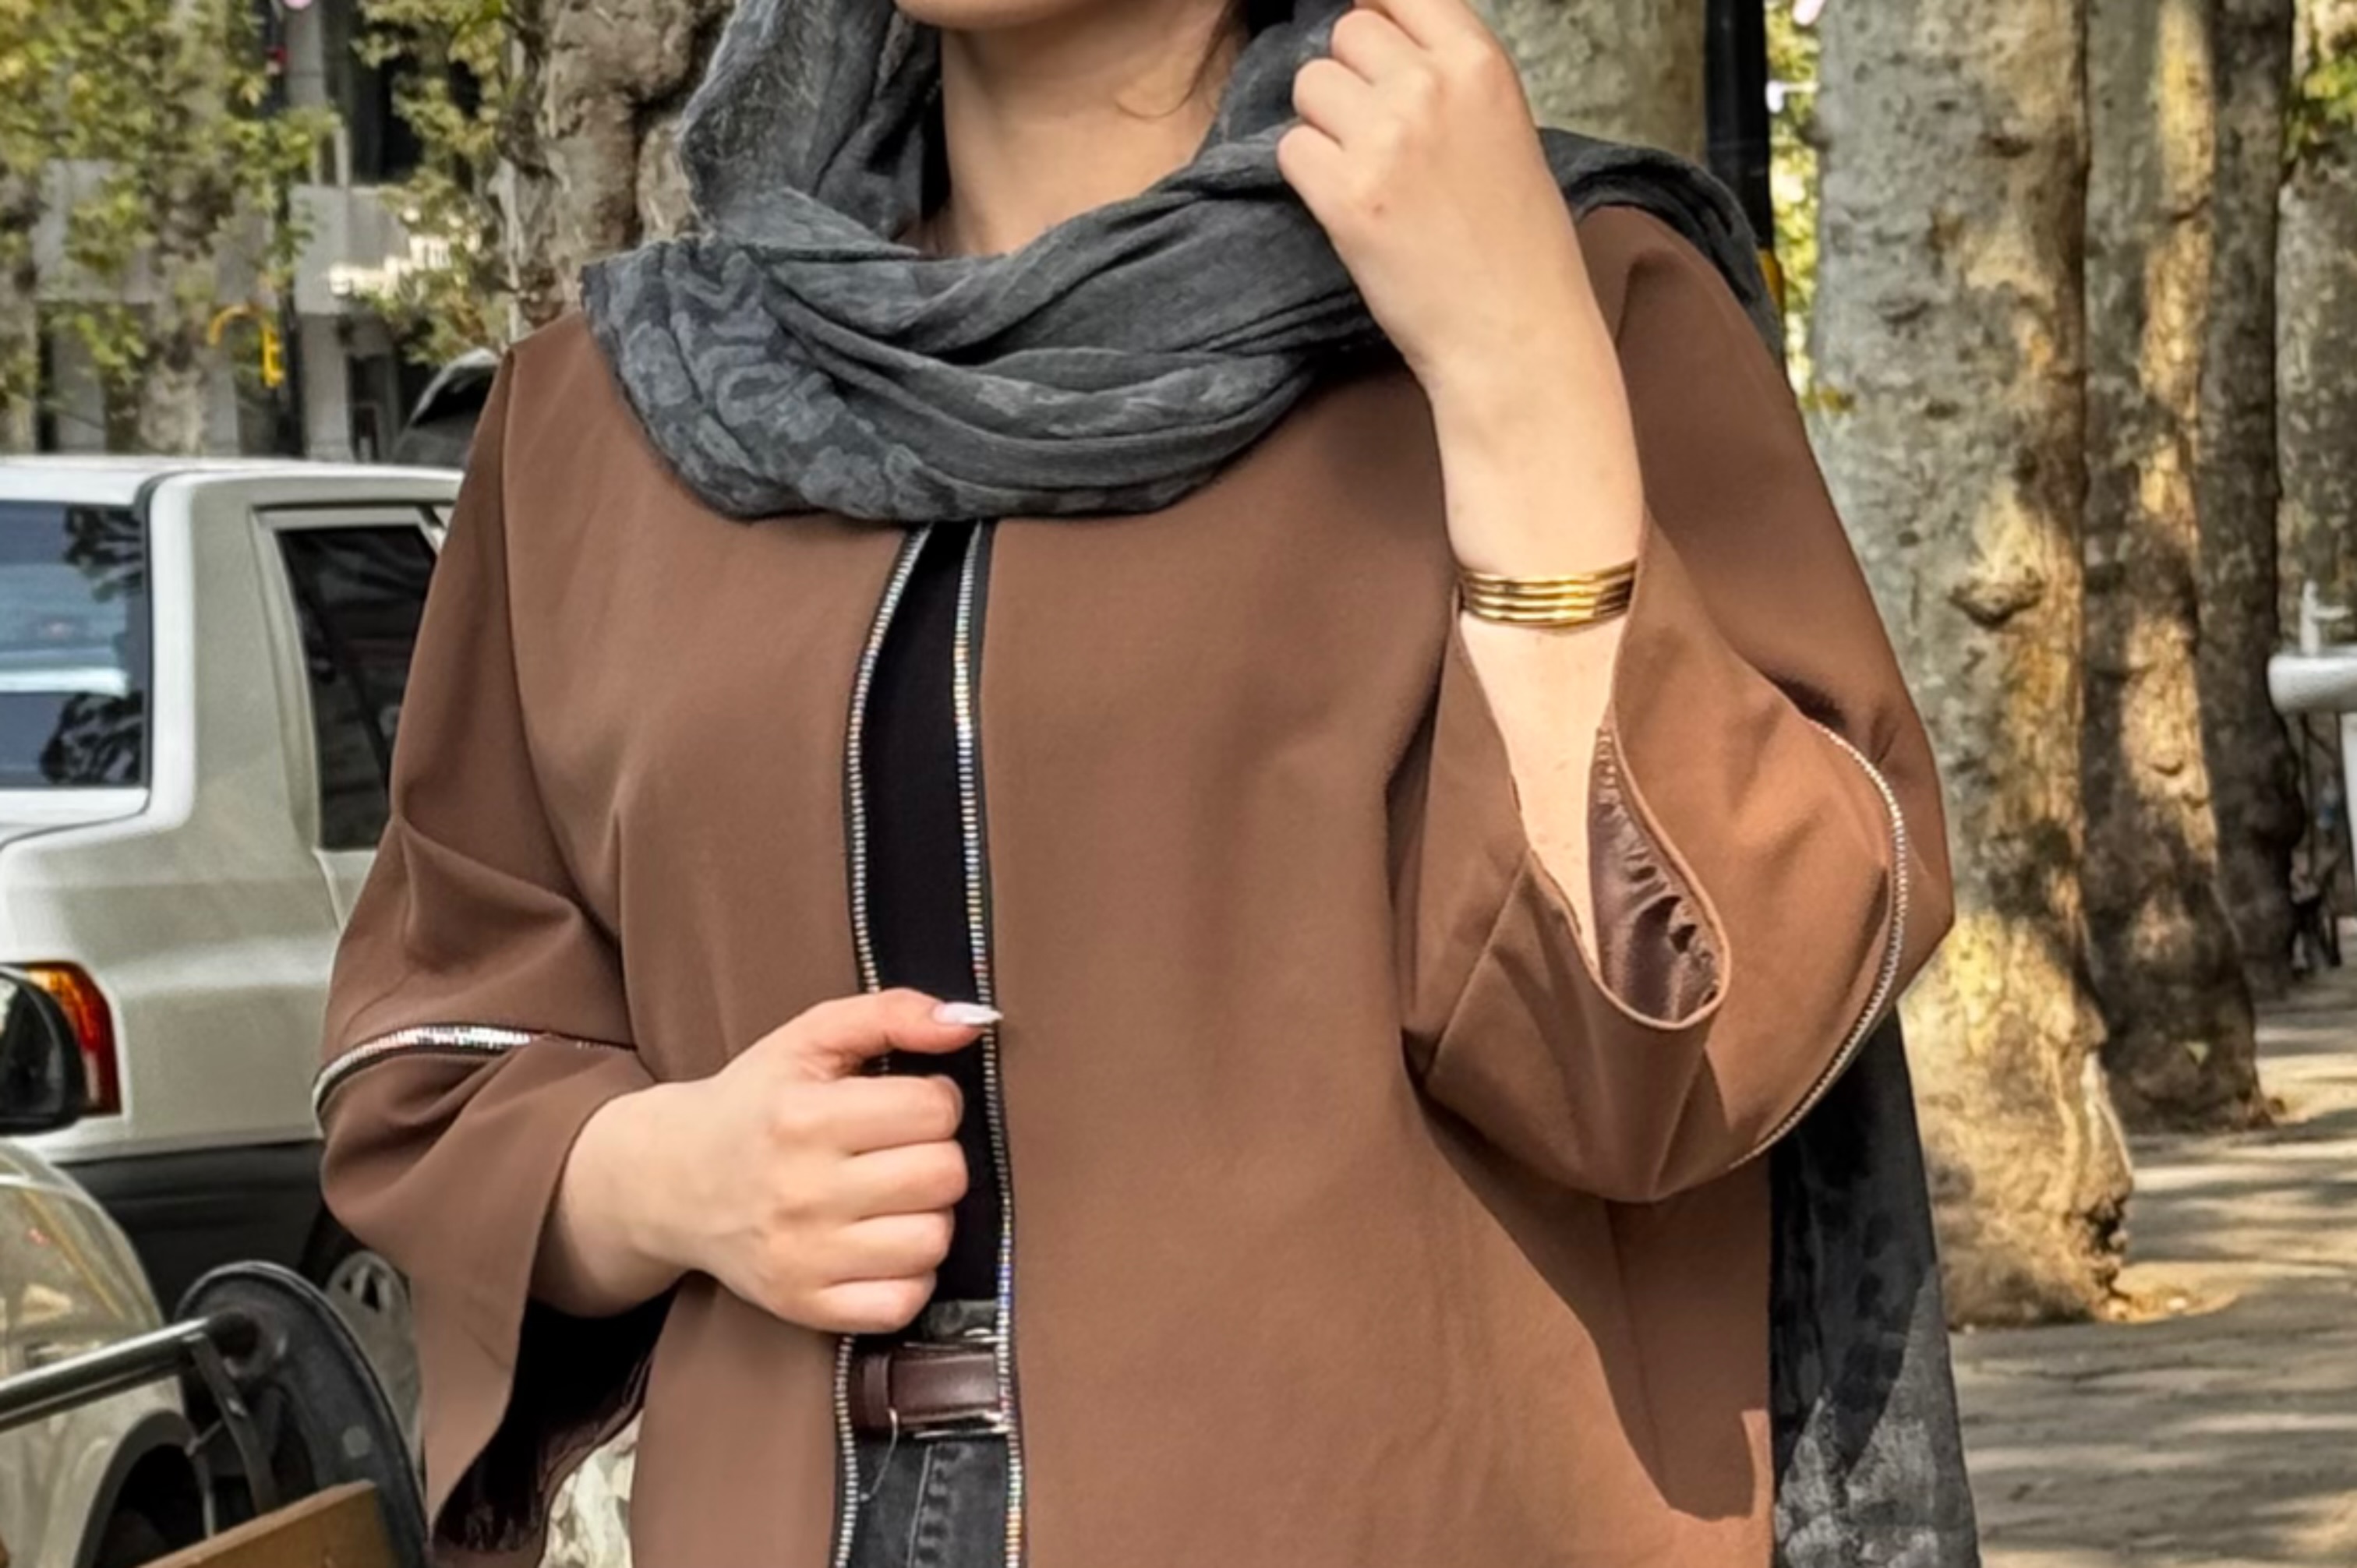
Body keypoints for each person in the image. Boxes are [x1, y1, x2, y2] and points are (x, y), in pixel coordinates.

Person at [315, 0, 1967, 1563]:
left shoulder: (1569, 293)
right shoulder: (619, 409)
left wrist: (1518, 375)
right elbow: (441, 1059)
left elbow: (1680, 1045)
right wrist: (668, 1176)